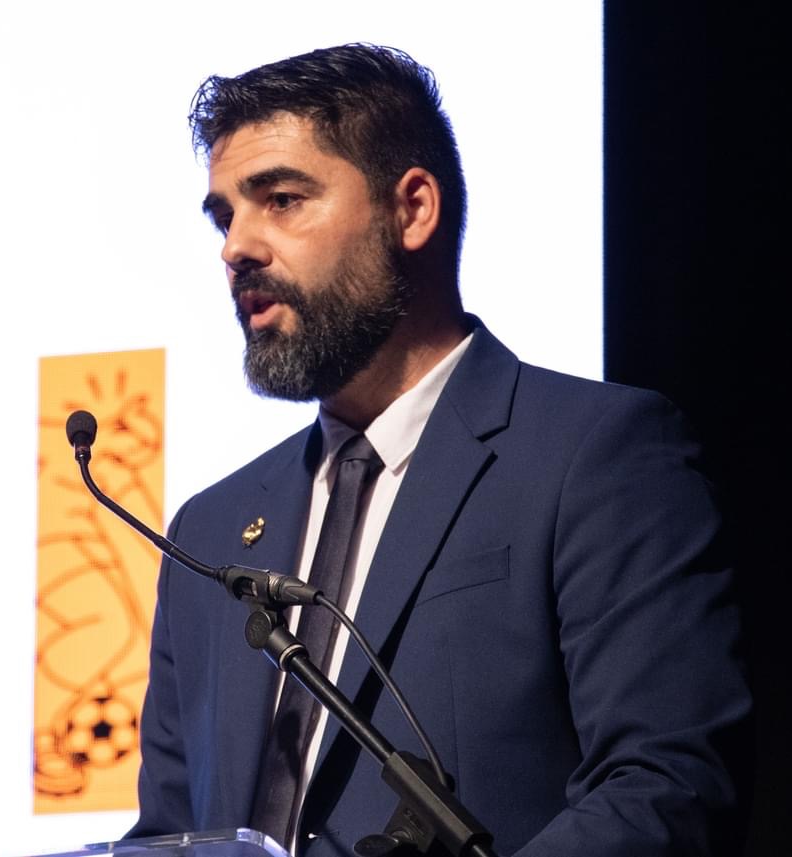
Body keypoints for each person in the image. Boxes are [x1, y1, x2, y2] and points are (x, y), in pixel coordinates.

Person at [127, 44, 750, 856]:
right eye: (224, 215)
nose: (235, 246)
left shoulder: (594, 455)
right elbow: (171, 835)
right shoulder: (208, 532)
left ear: (413, 209)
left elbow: (668, 786)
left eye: (281, 199)